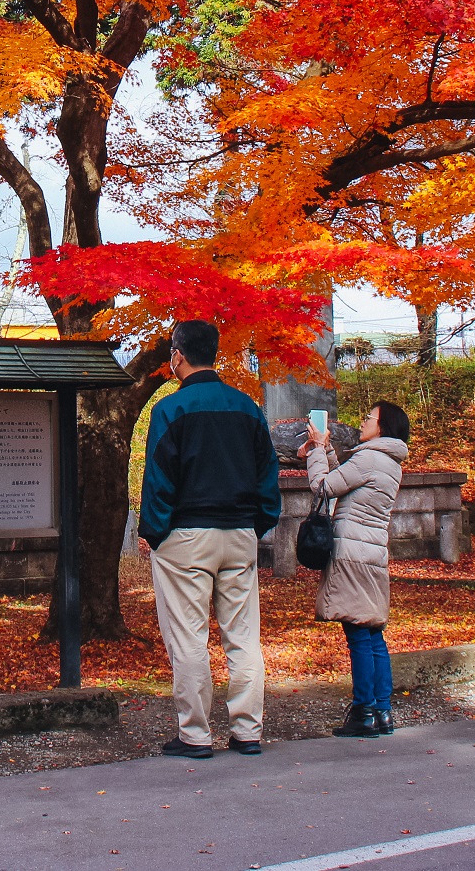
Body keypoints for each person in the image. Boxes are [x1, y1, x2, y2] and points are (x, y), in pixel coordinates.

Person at [136, 319, 281, 759]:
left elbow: (159, 480)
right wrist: (258, 523)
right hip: (239, 534)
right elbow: (267, 474)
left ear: (177, 355)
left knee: (189, 639)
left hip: (186, 536)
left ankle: (195, 734)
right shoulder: (247, 407)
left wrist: (154, 532)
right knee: (242, 637)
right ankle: (247, 731)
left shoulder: (170, 410)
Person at [300, 399, 410, 738]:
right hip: (372, 554)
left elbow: (323, 486)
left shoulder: (369, 458)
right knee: (373, 632)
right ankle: (382, 710)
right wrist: (328, 448)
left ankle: (363, 711)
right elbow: (346, 479)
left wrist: (317, 450)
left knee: (358, 633)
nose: (363, 423)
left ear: (383, 426)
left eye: (369, 418)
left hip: (351, 554)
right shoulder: (388, 461)